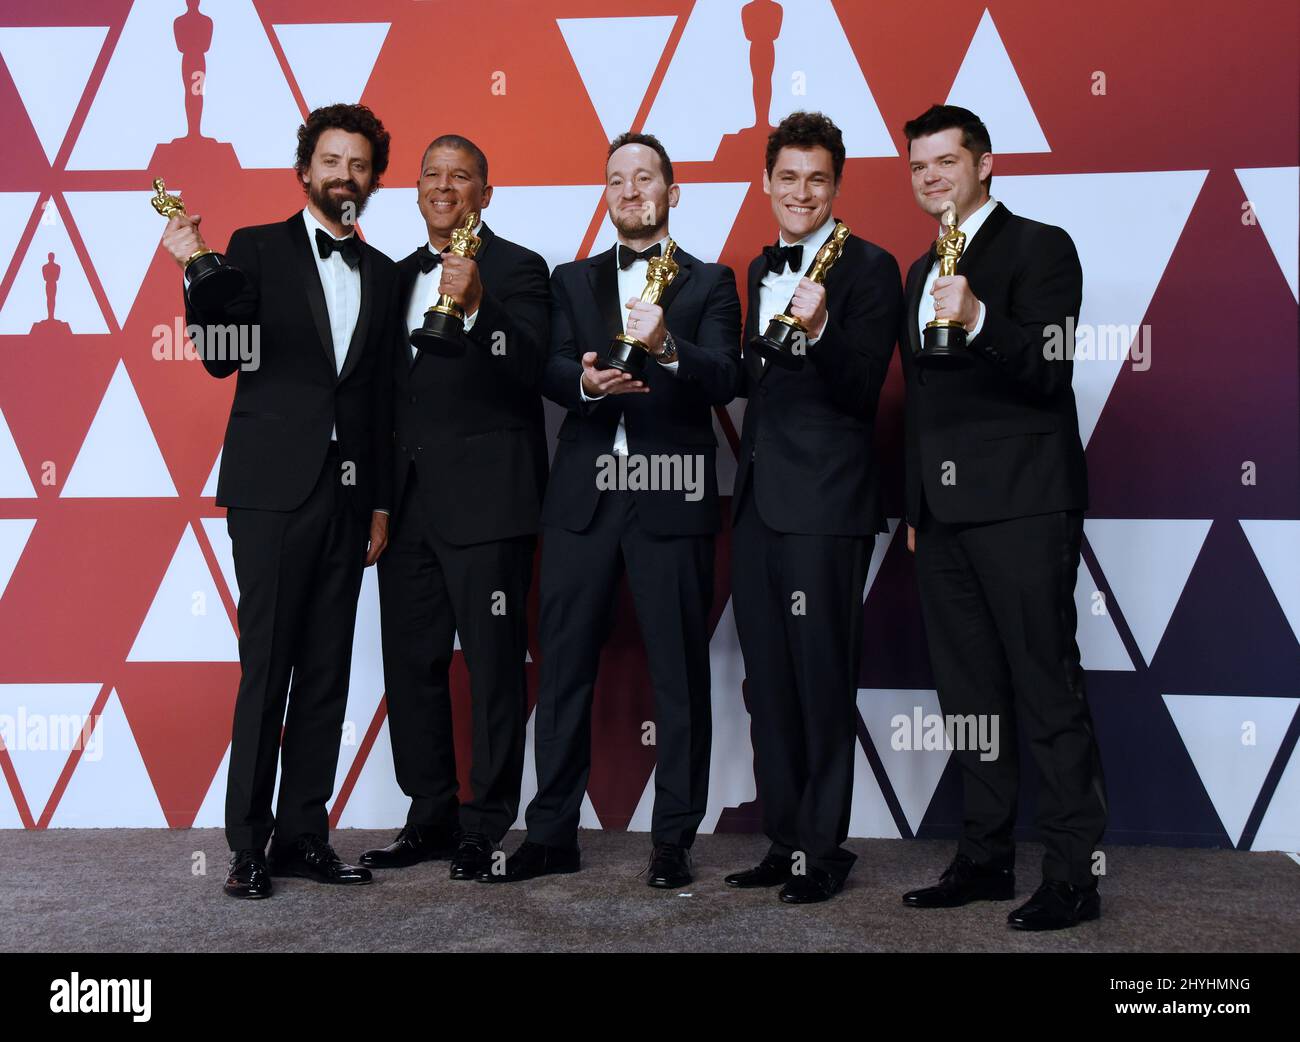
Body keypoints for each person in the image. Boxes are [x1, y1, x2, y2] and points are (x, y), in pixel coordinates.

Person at [488, 132, 740, 888]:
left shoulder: (713, 281)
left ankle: (673, 840)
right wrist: (586, 386)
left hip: (672, 495)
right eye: (617, 180)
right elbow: (550, 363)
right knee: (562, 669)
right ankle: (551, 833)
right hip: (583, 498)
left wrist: (667, 348)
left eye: (644, 178)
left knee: (679, 674)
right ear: (605, 194)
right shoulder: (571, 279)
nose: (630, 191)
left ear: (672, 191)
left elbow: (725, 376)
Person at [162, 103, 399, 899]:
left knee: (328, 671)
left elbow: (380, 403)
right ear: (306, 171)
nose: (345, 176)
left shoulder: (385, 272)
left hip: (346, 499)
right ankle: (247, 846)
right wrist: (194, 263)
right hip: (270, 494)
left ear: (374, 180)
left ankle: (305, 835)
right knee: (267, 669)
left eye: (360, 164)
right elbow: (223, 359)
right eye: (332, 161)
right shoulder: (257, 248)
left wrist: (379, 505)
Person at [897, 104, 1107, 930]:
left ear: (985, 165)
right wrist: (915, 504)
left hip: (1025, 502)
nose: (932, 177)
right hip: (942, 518)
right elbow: (919, 403)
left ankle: (1072, 876)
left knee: (1047, 689)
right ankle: (984, 859)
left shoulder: (1041, 246)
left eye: (947, 162)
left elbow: (1051, 369)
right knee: (970, 697)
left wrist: (981, 318)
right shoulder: (918, 273)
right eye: (919, 167)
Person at [361, 135, 550, 881]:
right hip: (405, 511)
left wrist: (476, 309)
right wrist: (374, 502)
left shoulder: (520, 269)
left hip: (490, 508)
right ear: (415, 191)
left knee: (495, 670)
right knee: (411, 667)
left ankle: (486, 824)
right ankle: (430, 816)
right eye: (433, 175)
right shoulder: (395, 274)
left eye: (462, 176)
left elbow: (532, 367)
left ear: (485, 193)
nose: (445, 187)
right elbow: (380, 400)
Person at [726, 111, 902, 904]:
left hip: (827, 506)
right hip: (759, 503)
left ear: (837, 186)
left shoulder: (871, 267)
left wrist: (823, 321)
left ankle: (824, 852)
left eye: (818, 179)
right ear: (767, 184)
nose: (802, 192)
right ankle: (787, 840)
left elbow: (864, 389)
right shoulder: (757, 265)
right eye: (788, 177)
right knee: (767, 685)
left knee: (821, 679)